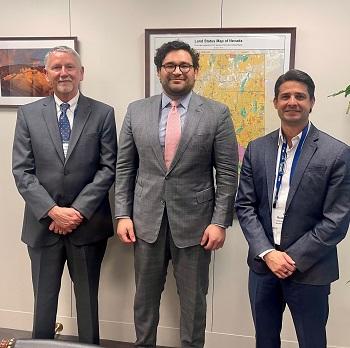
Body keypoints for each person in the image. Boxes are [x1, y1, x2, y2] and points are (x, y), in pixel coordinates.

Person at [115, 40, 238, 348]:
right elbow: (124, 169)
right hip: (145, 223)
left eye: (185, 65)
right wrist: (122, 214)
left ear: (195, 72)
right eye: (170, 65)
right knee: (144, 300)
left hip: (196, 226)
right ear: (160, 71)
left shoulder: (216, 113)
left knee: (194, 302)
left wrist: (219, 221)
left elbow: (226, 173)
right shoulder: (136, 111)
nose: (177, 71)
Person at [235, 69, 350, 348]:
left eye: (300, 96)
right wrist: (268, 253)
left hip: (310, 269)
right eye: (285, 96)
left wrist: (291, 258)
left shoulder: (336, 153)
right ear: (275, 102)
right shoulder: (256, 149)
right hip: (263, 267)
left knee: (312, 342)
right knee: (265, 340)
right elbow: (245, 205)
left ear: (312, 102)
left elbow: (337, 219)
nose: (292, 101)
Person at [12, 46, 117, 345]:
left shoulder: (103, 114)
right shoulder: (29, 115)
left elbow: (108, 168)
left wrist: (78, 211)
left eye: (70, 67)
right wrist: (53, 211)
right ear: (46, 74)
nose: (63, 73)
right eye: (56, 67)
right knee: (43, 304)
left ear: (81, 73)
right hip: (42, 225)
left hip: (87, 225)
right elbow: (22, 171)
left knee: (87, 303)